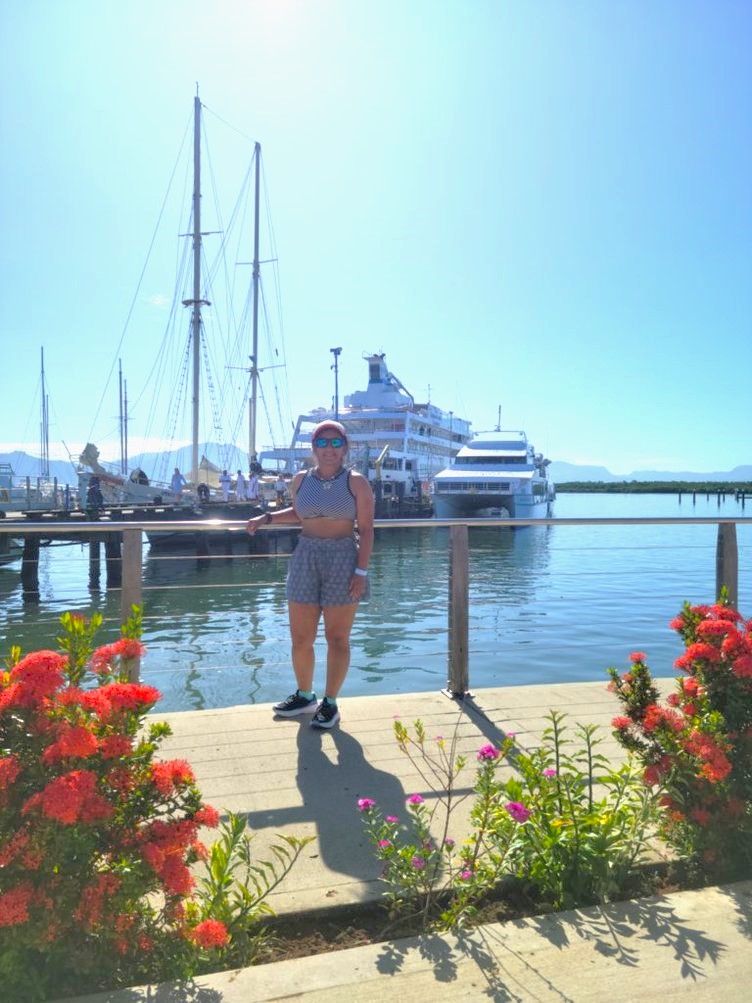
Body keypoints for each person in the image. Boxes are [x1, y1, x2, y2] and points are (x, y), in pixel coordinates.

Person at [247, 419, 374, 729]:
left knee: (337, 638)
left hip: (343, 556)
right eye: (322, 443)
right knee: (301, 638)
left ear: (344, 448)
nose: (328, 449)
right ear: (313, 448)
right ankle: (305, 696)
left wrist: (360, 571)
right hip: (305, 555)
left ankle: (330, 703)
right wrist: (266, 518)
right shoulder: (302, 479)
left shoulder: (356, 482)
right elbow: (299, 513)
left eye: (335, 443)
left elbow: (367, 529)